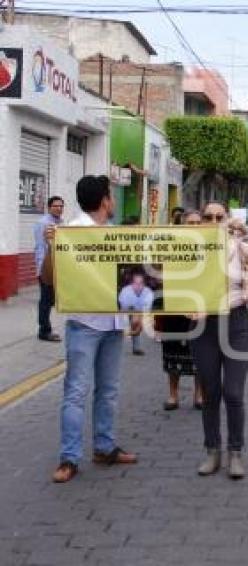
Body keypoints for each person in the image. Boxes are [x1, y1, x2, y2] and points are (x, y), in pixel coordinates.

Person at [44, 176, 142, 483]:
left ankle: (104, 447)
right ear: (104, 200)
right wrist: (51, 247)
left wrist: (134, 313)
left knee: (109, 391)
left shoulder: (113, 235)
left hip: (112, 324)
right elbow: (48, 278)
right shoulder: (70, 232)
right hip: (84, 324)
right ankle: (69, 458)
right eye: (111, 196)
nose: (113, 202)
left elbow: (126, 278)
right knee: (76, 392)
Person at [193, 201, 248, 480]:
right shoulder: (192, 249)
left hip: (237, 324)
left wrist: (246, 229)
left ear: (227, 218)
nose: (214, 220)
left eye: (220, 216)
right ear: (201, 220)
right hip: (203, 327)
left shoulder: (240, 247)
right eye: (208, 217)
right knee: (210, 392)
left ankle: (235, 452)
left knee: (234, 392)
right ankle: (212, 451)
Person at [158, 209, 203, 412]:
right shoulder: (170, 245)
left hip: (200, 308)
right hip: (174, 308)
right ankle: (173, 394)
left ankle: (199, 394)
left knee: (201, 354)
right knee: (172, 351)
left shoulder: (211, 247)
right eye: (190, 223)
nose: (194, 227)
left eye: (197, 223)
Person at [34, 196, 64, 342]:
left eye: (61, 206)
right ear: (49, 207)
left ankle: (44, 328)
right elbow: (41, 246)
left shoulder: (60, 223)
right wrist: (40, 268)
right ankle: (44, 331)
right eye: (56, 206)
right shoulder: (43, 223)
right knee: (46, 300)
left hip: (57, 266)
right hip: (46, 267)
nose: (59, 208)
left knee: (51, 299)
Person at [118, 271, 154, 355]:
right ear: (131, 283)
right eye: (135, 283)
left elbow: (146, 311)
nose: (138, 285)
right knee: (121, 328)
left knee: (137, 323)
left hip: (140, 313)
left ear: (144, 284)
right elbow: (124, 308)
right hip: (125, 311)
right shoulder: (125, 291)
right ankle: (115, 346)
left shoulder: (149, 293)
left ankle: (136, 348)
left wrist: (139, 324)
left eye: (140, 283)